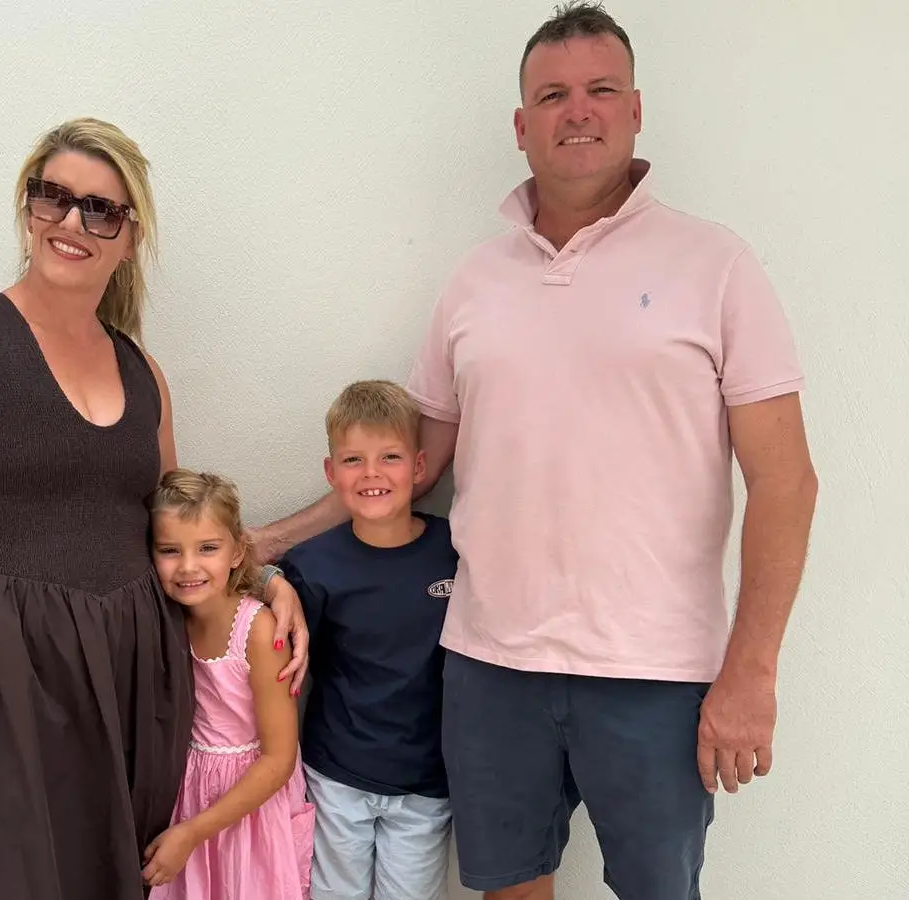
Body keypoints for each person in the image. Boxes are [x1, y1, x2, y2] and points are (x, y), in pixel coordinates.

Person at [254, 4, 819, 899]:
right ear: (522, 127)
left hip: (655, 671)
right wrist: (272, 544)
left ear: (636, 109)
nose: (578, 111)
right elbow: (414, 465)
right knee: (509, 888)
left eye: (600, 90)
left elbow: (786, 480)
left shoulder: (715, 265)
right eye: (552, 95)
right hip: (490, 664)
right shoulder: (476, 281)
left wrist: (752, 671)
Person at [0, 117, 309, 900]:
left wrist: (266, 581)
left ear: (129, 235)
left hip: (128, 688)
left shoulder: (142, 370)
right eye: (51, 198)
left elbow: (180, 534)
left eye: (100, 210)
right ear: (27, 209)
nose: (72, 223)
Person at [278, 380, 458, 900]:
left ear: (420, 468)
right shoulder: (311, 566)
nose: (372, 473)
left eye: (390, 457)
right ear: (331, 473)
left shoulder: (454, 551)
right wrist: (273, 582)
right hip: (337, 776)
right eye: (353, 459)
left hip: (425, 782)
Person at [143, 469, 315, 898]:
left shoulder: (258, 630)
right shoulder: (167, 618)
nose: (187, 567)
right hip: (190, 788)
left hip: (249, 805)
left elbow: (278, 760)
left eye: (207, 548)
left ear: (238, 552)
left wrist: (192, 832)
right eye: (169, 550)